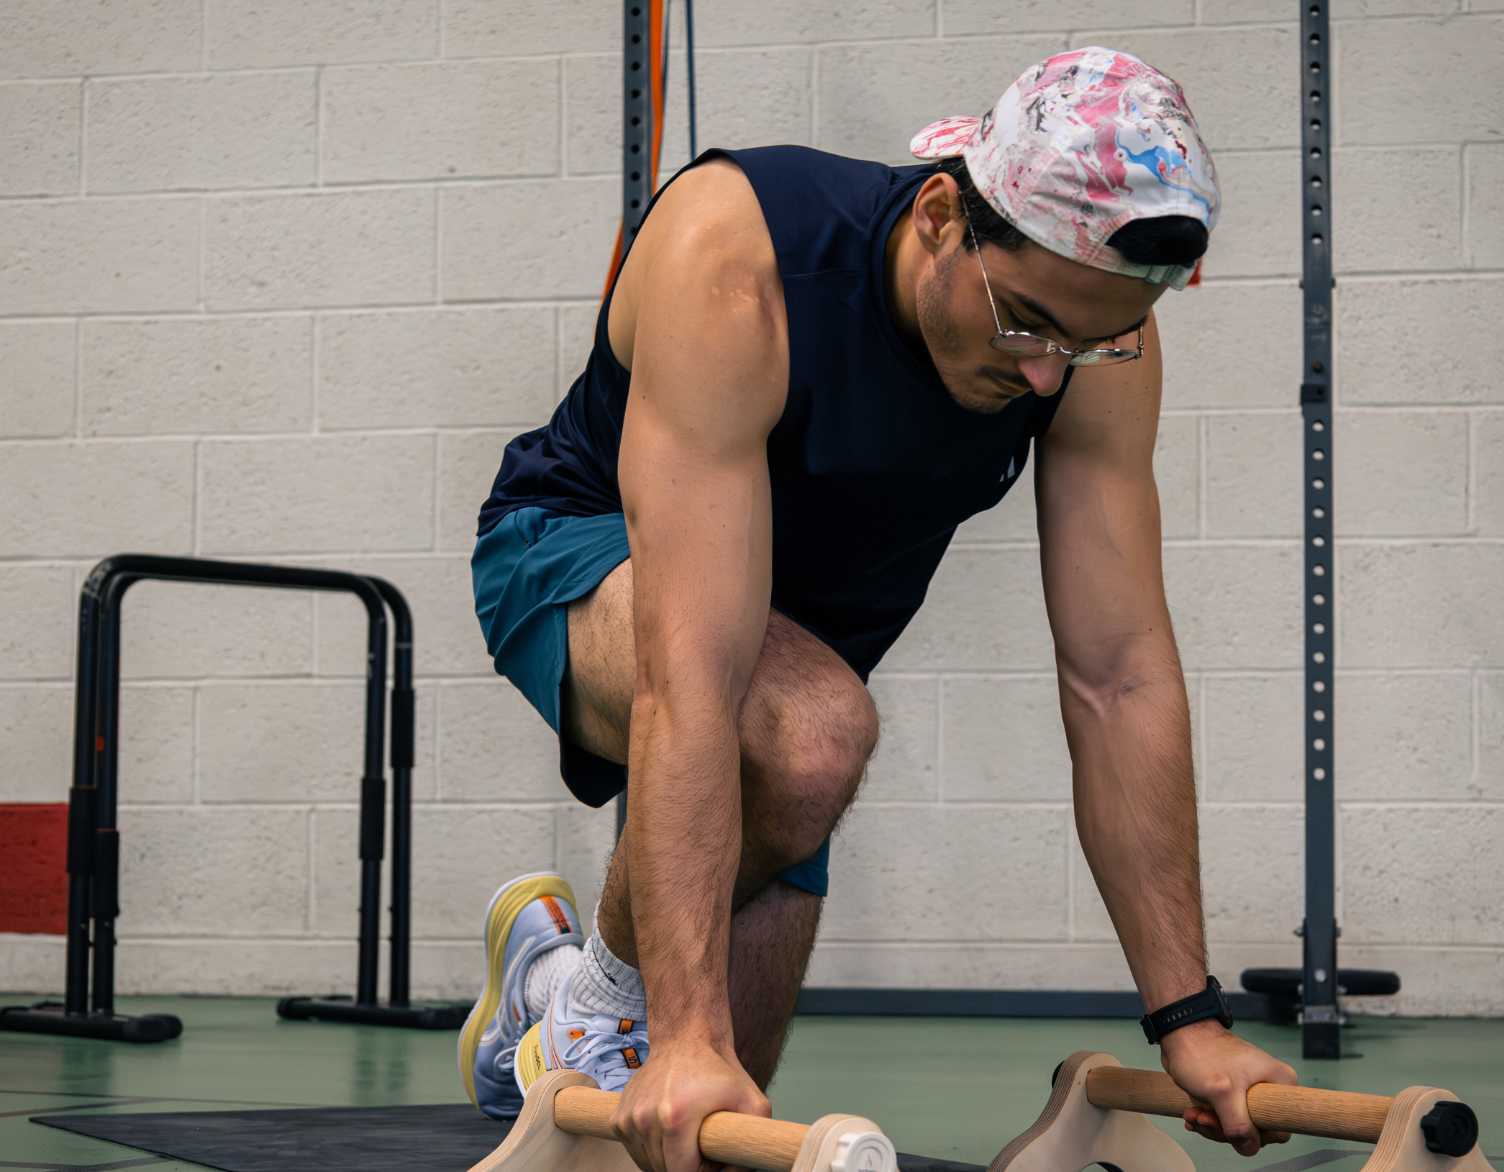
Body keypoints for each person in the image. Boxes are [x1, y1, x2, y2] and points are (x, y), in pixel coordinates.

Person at [460, 44, 1296, 1172]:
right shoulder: (739, 254)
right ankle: (589, 1002)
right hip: (573, 553)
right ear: (946, 212)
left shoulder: (1096, 338)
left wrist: (1190, 1021)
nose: (1052, 375)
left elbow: (1120, 671)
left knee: (712, 1133)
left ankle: (551, 985)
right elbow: (691, 670)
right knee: (805, 740)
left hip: (796, 667)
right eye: (1031, 323)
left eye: (1088, 341)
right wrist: (679, 1025)